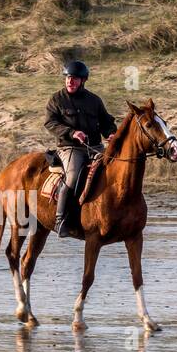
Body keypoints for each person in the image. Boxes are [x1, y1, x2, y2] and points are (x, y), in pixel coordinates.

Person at [43, 59, 115, 237]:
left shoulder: (94, 100)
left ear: (83, 80)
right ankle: (61, 220)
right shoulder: (57, 99)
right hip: (70, 148)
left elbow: (106, 122)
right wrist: (72, 132)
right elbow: (50, 122)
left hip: (95, 147)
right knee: (73, 177)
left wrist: (111, 134)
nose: (70, 81)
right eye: (68, 78)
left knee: (114, 172)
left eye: (74, 78)